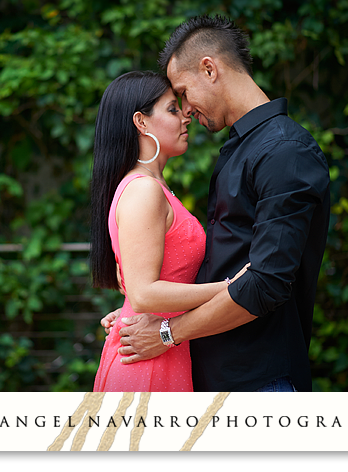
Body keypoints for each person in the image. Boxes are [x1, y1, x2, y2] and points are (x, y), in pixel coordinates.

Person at [101, 15, 331, 392]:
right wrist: (148, 310)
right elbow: (228, 262)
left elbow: (266, 284)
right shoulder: (240, 148)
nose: (186, 109)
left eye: (183, 93)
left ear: (209, 69)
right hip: (215, 370)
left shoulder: (284, 152)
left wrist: (165, 330)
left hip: (258, 377)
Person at [89, 70, 249, 392]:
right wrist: (230, 288)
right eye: (172, 109)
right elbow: (144, 293)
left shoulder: (153, 188)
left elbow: (148, 285)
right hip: (147, 360)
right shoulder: (143, 190)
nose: (185, 117)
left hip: (159, 345)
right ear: (142, 122)